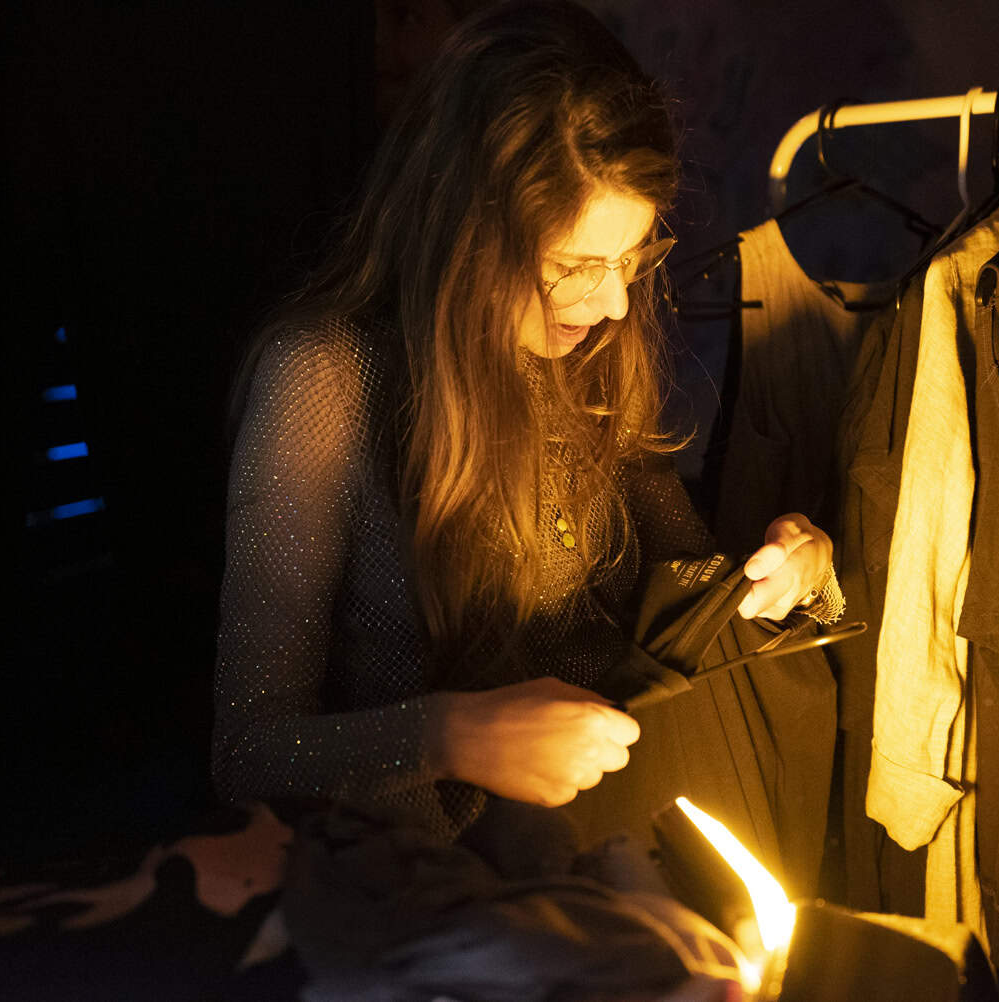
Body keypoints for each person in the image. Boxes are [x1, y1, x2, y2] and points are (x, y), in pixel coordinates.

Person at [212, 0, 841, 839]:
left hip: (615, 849)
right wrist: (452, 737)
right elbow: (248, 752)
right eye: (575, 265)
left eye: (631, 259)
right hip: (434, 889)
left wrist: (801, 577)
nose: (615, 304)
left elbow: (691, 591)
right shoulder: (326, 377)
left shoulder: (590, 359)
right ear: (465, 232)